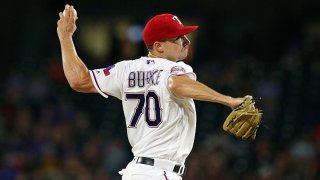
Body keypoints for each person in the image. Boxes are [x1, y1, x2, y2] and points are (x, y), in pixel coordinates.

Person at [57, 4, 245, 180]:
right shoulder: (174, 69)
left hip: (136, 172)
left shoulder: (125, 70)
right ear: (158, 46)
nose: (186, 41)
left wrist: (65, 38)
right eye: (178, 37)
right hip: (160, 173)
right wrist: (227, 100)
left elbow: (79, 80)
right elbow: (175, 84)